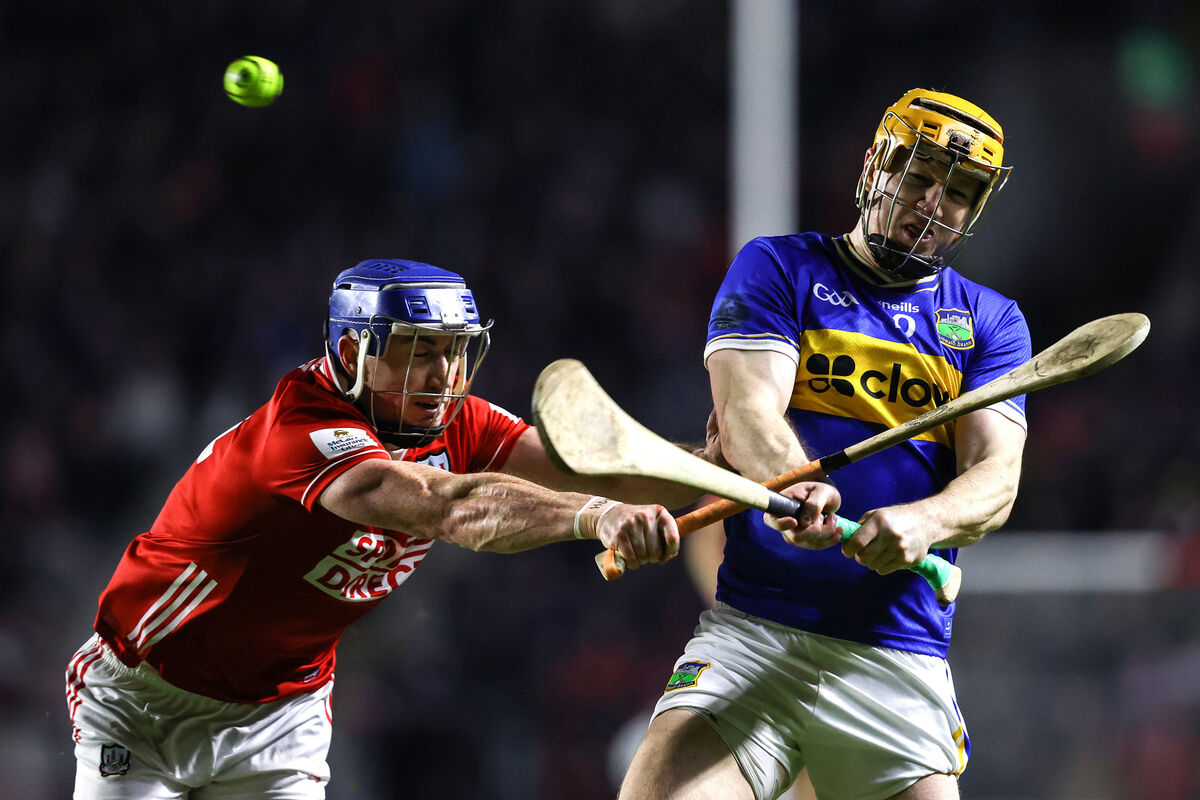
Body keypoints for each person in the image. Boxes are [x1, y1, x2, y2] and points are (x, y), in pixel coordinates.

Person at [65, 259, 700, 799]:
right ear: (352, 353)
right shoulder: (301, 428)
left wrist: (725, 467)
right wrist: (595, 516)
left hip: (282, 714)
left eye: (455, 351)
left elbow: (600, 471)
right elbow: (446, 506)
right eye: (420, 352)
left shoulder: (457, 422)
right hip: (146, 699)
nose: (444, 376)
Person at [619, 87, 1031, 800]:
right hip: (754, 639)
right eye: (919, 176)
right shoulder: (780, 268)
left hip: (898, 661)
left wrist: (924, 522)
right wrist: (798, 483)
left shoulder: (991, 323)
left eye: (959, 193)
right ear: (874, 166)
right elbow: (747, 411)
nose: (934, 203)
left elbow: (996, 478)